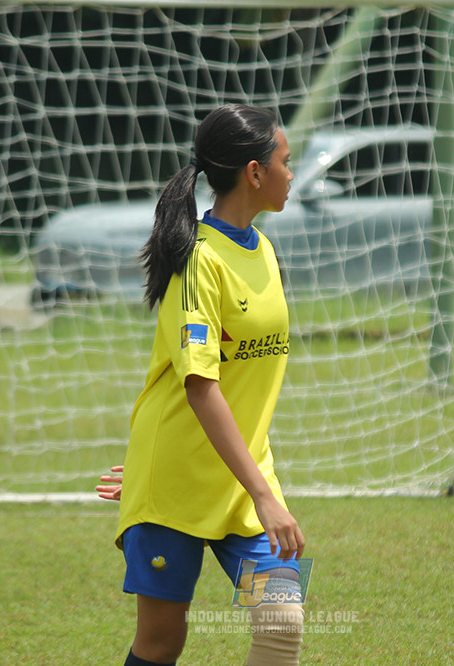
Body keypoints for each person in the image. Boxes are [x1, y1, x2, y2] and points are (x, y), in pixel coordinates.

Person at [96, 104, 306, 666]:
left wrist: (258, 487)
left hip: (241, 480)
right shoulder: (198, 261)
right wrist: (156, 466)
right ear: (256, 173)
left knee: (282, 620)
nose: (294, 173)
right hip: (178, 490)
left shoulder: (262, 248)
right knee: (162, 644)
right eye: (287, 161)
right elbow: (199, 387)